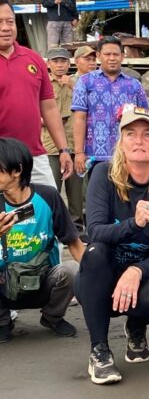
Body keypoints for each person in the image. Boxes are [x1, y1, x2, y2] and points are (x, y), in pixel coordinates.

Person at [74, 106, 149, 384]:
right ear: (121, 142)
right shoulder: (103, 175)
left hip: (141, 274)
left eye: (147, 135)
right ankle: (99, 351)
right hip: (102, 275)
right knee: (95, 253)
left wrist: (136, 271)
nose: (139, 141)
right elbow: (94, 232)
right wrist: (134, 224)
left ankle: (136, 326)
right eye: (130, 134)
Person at [0, 138, 84, 343]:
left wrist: (98, 277)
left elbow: (73, 242)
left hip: (43, 281)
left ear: (17, 171)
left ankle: (52, 317)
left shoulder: (47, 196)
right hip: (5, 285)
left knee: (71, 270)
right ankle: (2, 322)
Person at [0, 0, 73, 189]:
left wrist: (63, 149)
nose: (6, 27)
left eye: (10, 21)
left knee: (49, 210)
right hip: (0, 159)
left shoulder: (34, 59)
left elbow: (49, 108)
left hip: (35, 156)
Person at [72, 36, 148, 175]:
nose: (112, 58)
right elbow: (79, 118)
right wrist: (79, 152)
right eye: (107, 54)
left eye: (116, 54)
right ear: (99, 56)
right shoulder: (85, 82)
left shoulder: (134, 85)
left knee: (126, 195)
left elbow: (145, 119)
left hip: (127, 154)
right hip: (95, 156)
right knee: (97, 195)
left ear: (123, 56)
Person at [41, 47, 85, 233]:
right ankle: (51, 228)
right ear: (48, 64)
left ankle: (76, 229)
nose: (59, 65)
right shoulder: (44, 84)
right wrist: (48, 122)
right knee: (52, 189)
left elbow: (90, 104)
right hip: (51, 146)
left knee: (76, 192)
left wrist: (73, 85)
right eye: (55, 61)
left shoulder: (78, 82)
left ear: (69, 63)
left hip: (75, 145)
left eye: (63, 61)